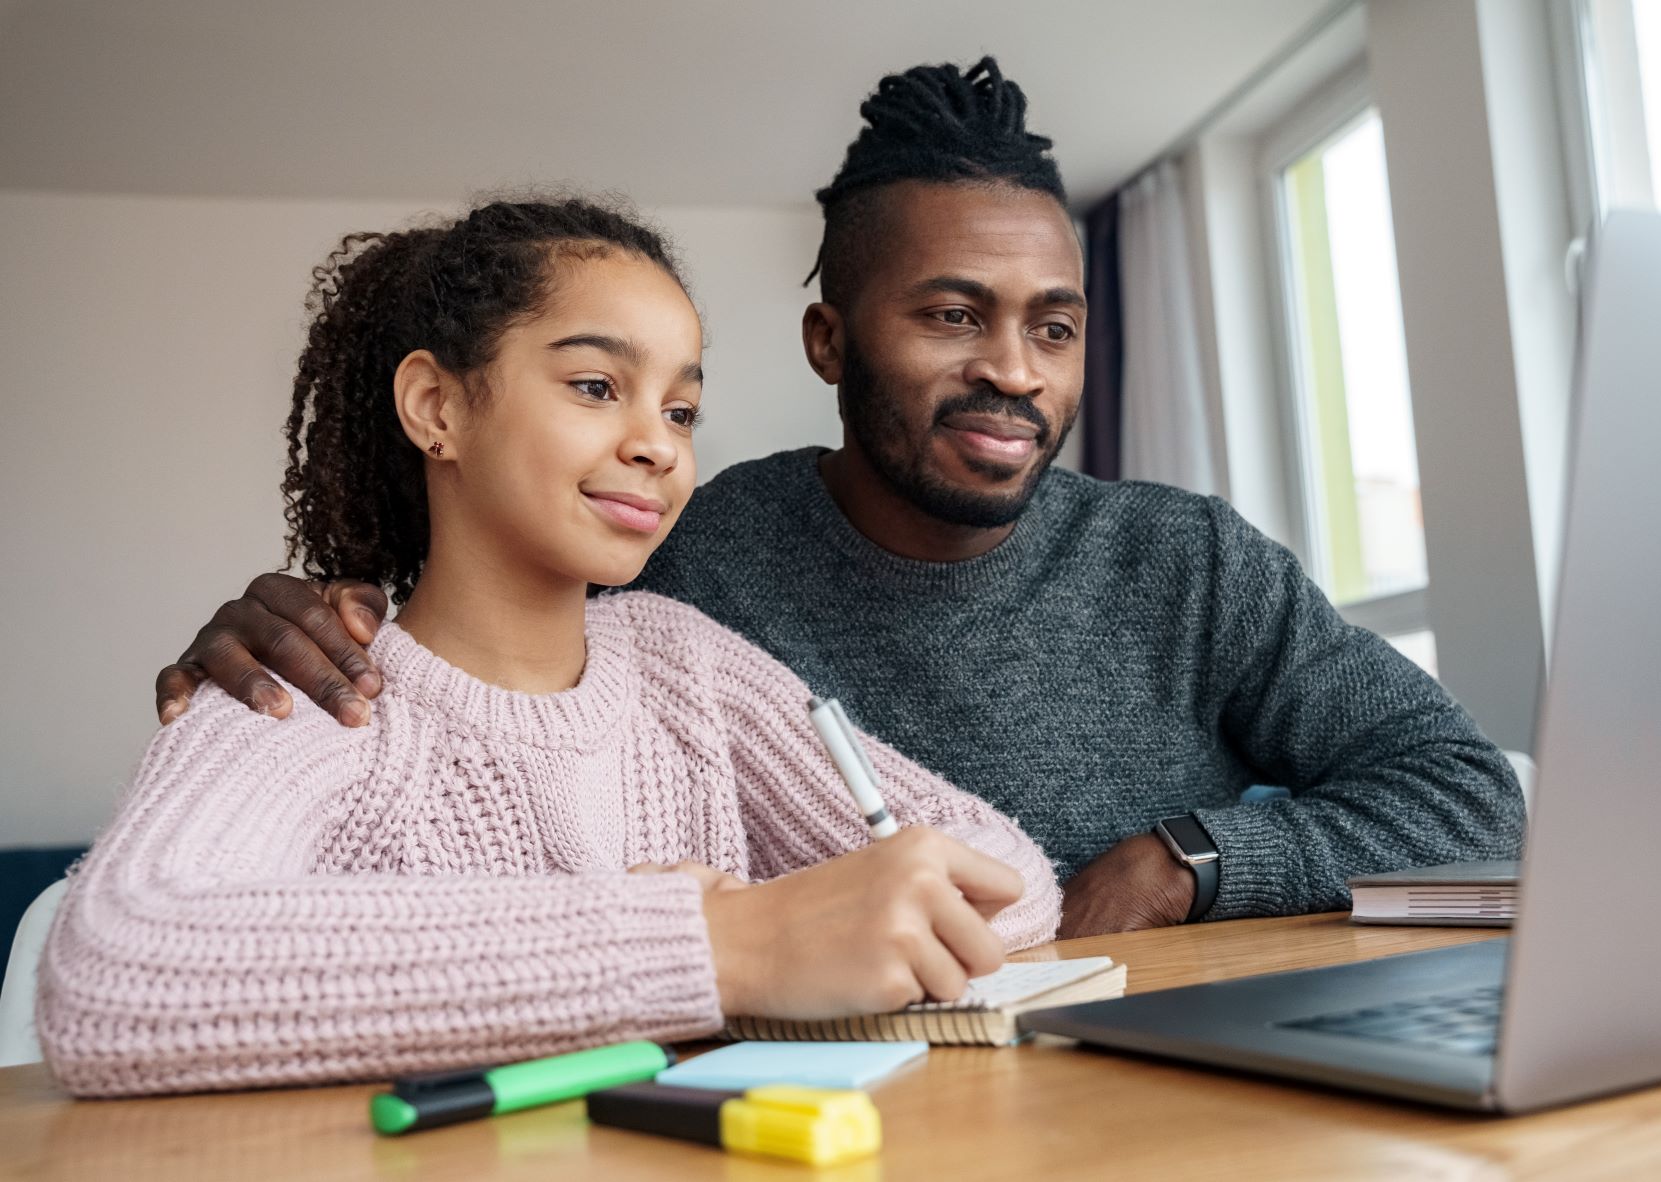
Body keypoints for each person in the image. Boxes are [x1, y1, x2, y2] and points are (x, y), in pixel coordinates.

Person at [151, 59, 1524, 943]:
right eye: (949, 313)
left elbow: (1472, 797)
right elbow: (491, 645)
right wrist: (308, 606)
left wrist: (1183, 859)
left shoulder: (1188, 560)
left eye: (1056, 326)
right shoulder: (692, 564)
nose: (1011, 368)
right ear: (828, 342)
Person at [38, 197, 1059, 1098]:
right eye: (594, 386)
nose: (659, 443)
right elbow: (109, 971)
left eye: (682, 408)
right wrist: (720, 946)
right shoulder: (308, 692)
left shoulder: (683, 660)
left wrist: (794, 926)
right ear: (436, 408)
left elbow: (1010, 875)